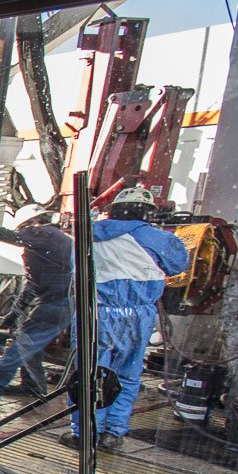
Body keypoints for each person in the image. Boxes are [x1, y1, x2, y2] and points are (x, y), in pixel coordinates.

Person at [61, 185, 189, 452]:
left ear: (114, 209)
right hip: (137, 316)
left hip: (95, 313)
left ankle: (84, 433)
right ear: (147, 212)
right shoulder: (157, 238)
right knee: (127, 376)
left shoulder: (88, 234)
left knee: (90, 375)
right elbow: (178, 264)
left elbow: (75, 270)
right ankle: (113, 434)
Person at [0, 203, 73, 400]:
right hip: (58, 302)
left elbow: (15, 237)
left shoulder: (46, 234)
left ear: (32, 223)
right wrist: (13, 314)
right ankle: (33, 386)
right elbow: (32, 286)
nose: (24, 233)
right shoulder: (49, 245)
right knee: (29, 343)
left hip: (58, 302)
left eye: (24, 229)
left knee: (23, 342)